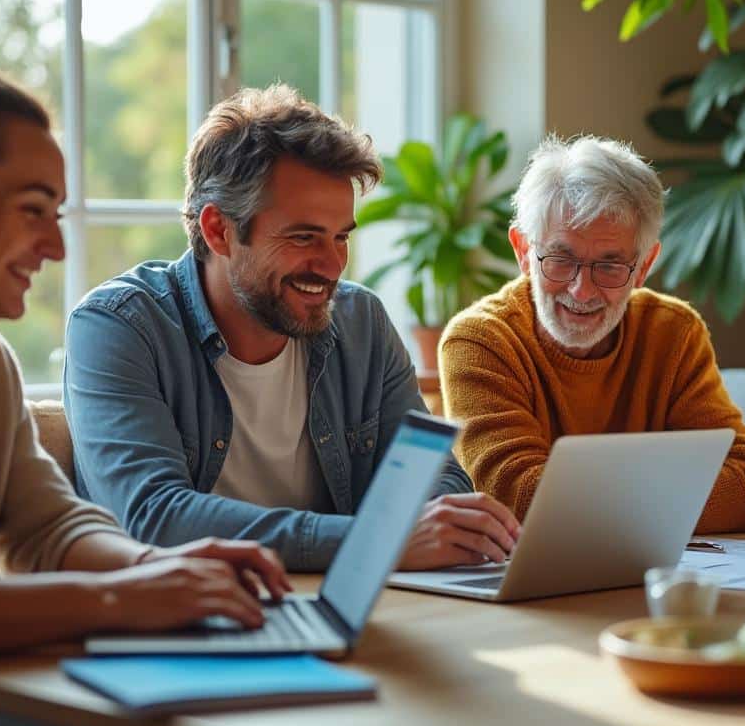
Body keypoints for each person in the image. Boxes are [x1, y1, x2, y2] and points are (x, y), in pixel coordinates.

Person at [0, 3, 293, 726]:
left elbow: (46, 526)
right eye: (32, 210)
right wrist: (121, 599)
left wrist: (151, 569)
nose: (54, 247)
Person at [64, 84, 519, 573]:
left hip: (339, 611)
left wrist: (447, 522)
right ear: (219, 230)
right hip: (176, 625)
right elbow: (153, 517)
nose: (332, 265)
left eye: (341, 236)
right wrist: (372, 542)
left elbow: (435, 481)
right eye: (303, 237)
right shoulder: (118, 327)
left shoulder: (361, 323)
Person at [440, 135, 745, 532]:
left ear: (644, 266)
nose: (582, 290)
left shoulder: (674, 333)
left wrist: (586, 498)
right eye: (560, 260)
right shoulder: (481, 340)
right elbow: (519, 498)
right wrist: (672, 490)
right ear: (523, 251)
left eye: (610, 266)